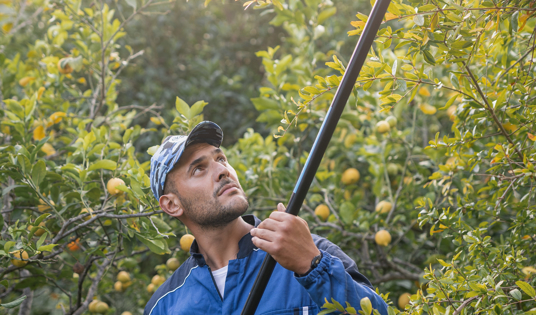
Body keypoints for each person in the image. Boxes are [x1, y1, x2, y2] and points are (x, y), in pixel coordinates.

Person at [145, 121, 388, 315]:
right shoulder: (165, 306)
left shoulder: (312, 252)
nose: (223, 171)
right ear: (171, 204)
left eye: (220, 159)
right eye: (199, 168)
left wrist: (312, 267)